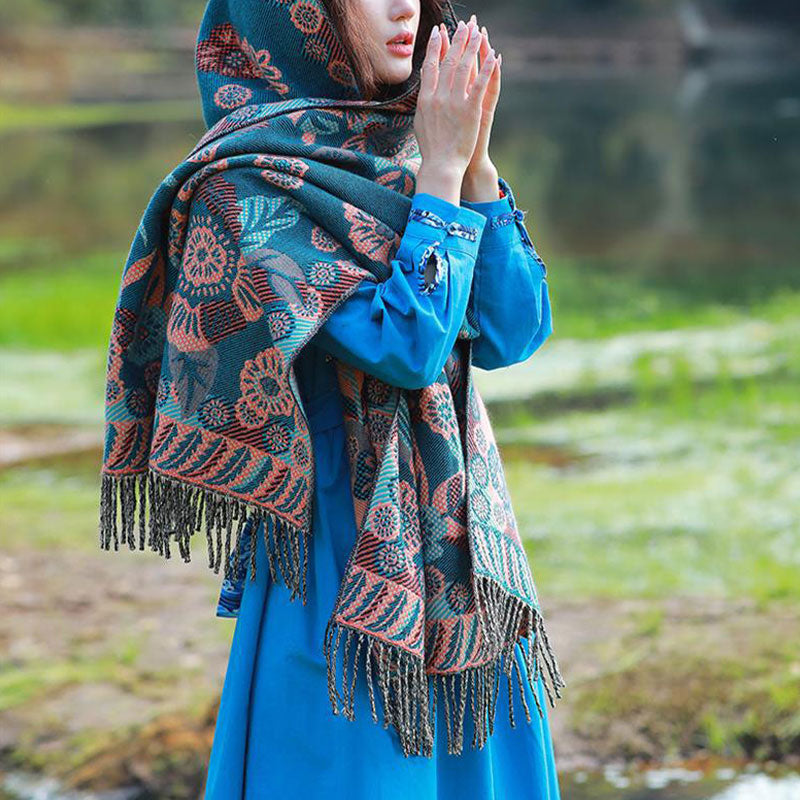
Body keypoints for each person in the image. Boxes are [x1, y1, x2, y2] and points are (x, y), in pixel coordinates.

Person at [97, 0, 563, 796]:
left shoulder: (412, 154)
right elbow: (406, 349)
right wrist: (444, 177)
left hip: (461, 553)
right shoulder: (242, 187)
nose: (404, 5)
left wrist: (475, 164)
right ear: (297, 15)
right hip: (338, 569)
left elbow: (513, 330)